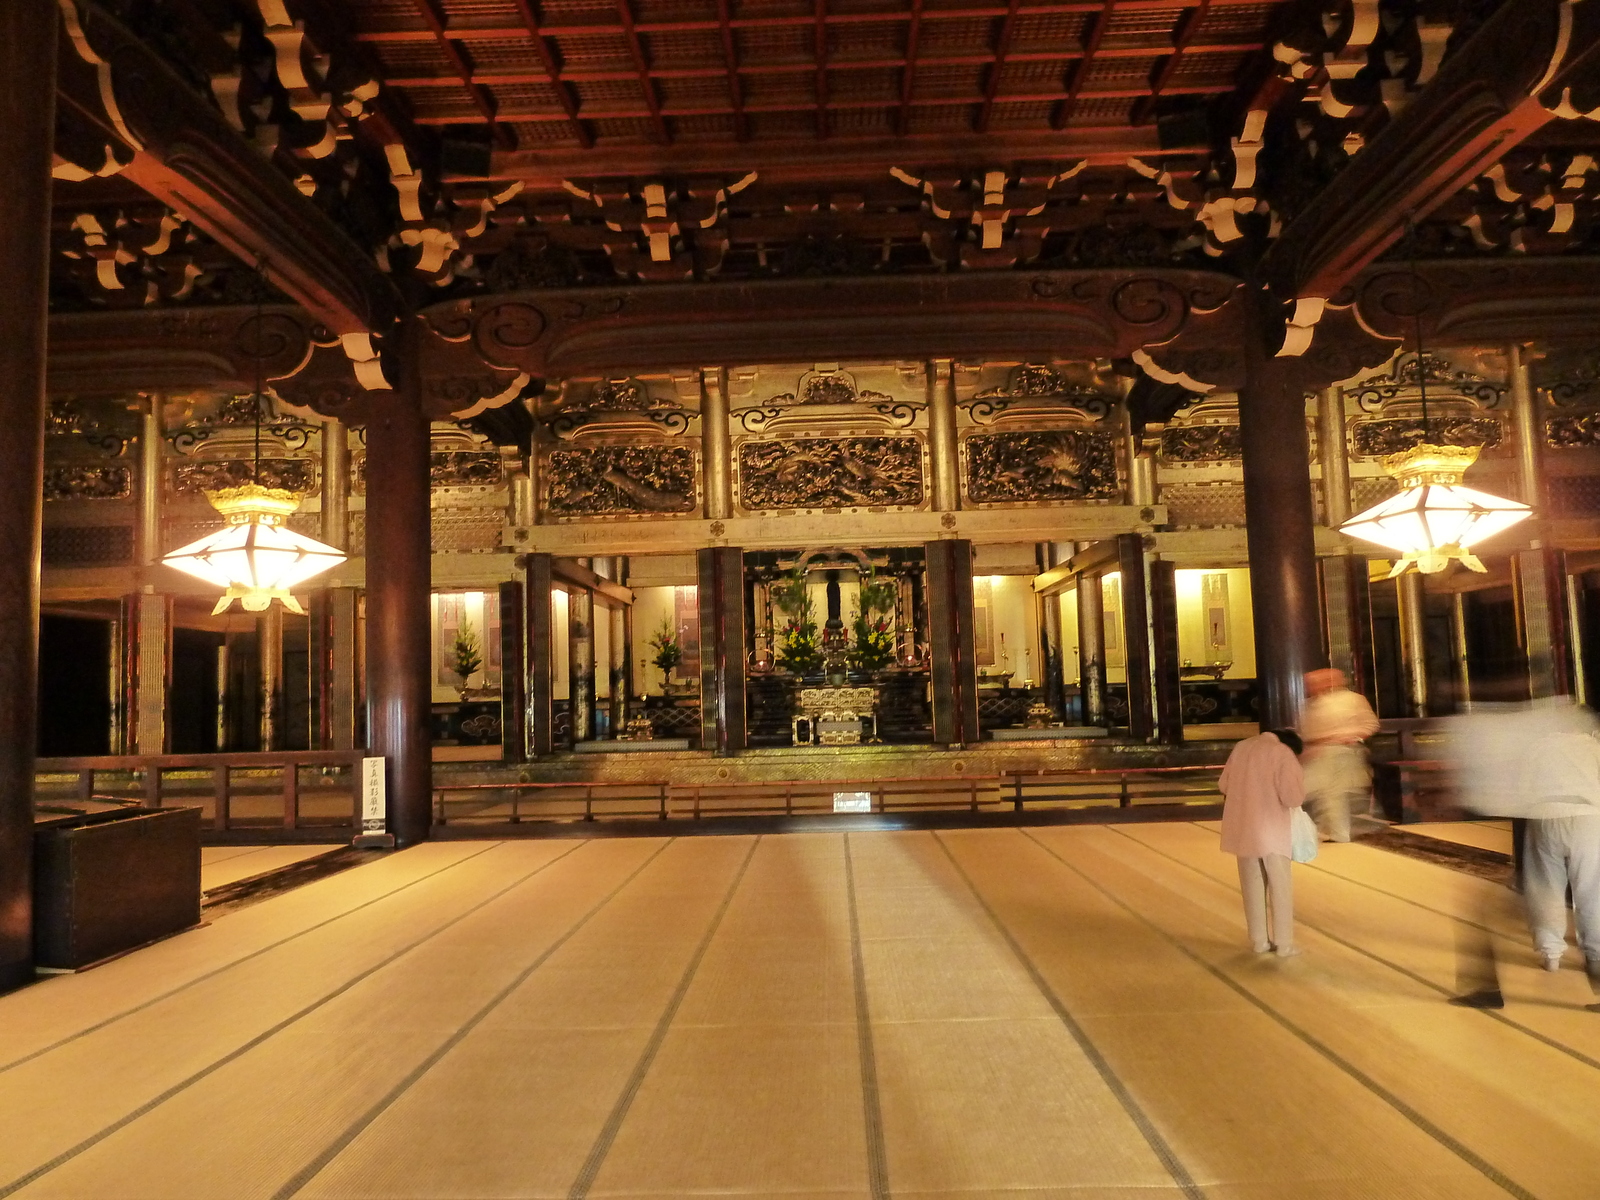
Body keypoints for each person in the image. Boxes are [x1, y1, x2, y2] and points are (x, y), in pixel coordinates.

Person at [1219, 728, 1307, 957]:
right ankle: (1284, 943)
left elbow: (1224, 785)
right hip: (1272, 829)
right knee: (1280, 887)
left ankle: (1259, 941)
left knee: (1251, 886)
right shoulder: (1282, 753)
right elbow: (1292, 797)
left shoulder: (1241, 747)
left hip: (1242, 828)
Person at [1299, 667, 1380, 842]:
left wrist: (1351, 736)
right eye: (1311, 684)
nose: (1313, 687)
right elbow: (1306, 732)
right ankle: (1325, 829)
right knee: (1311, 791)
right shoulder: (1311, 704)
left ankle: (1338, 832)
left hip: (1343, 751)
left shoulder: (1353, 699)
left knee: (1334, 794)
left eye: (1318, 682)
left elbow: (1370, 724)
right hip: (1317, 753)